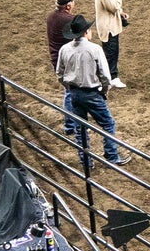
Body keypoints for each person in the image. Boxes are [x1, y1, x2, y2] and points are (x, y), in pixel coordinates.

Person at [55, 14, 130, 167]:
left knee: (80, 127)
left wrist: (68, 87)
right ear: (86, 32)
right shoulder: (95, 49)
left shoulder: (64, 49)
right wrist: (104, 91)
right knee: (108, 124)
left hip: (74, 93)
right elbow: (105, 76)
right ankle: (111, 155)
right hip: (91, 93)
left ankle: (86, 161)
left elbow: (59, 74)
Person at [46, 0, 78, 134]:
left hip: (56, 58)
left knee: (69, 91)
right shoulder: (69, 20)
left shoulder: (51, 16)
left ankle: (71, 123)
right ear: (68, 5)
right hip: (67, 60)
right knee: (70, 93)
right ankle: (70, 126)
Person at [94, 0, 127, 89]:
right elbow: (113, 7)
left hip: (108, 24)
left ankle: (112, 77)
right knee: (110, 52)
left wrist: (121, 12)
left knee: (111, 52)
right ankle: (108, 79)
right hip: (109, 27)